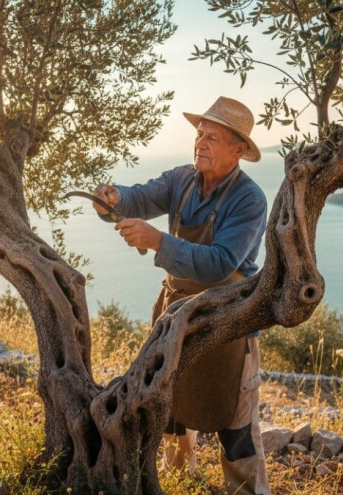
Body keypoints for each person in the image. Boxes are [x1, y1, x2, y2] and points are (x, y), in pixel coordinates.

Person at [92, 96, 270, 495]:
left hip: (230, 320)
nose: (200, 144)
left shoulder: (250, 199)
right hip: (175, 314)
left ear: (239, 149)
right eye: (199, 135)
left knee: (236, 422)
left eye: (212, 137)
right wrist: (114, 199)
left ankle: (246, 490)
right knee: (168, 405)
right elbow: (138, 197)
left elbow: (221, 264)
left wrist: (158, 241)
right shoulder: (181, 179)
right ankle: (179, 476)